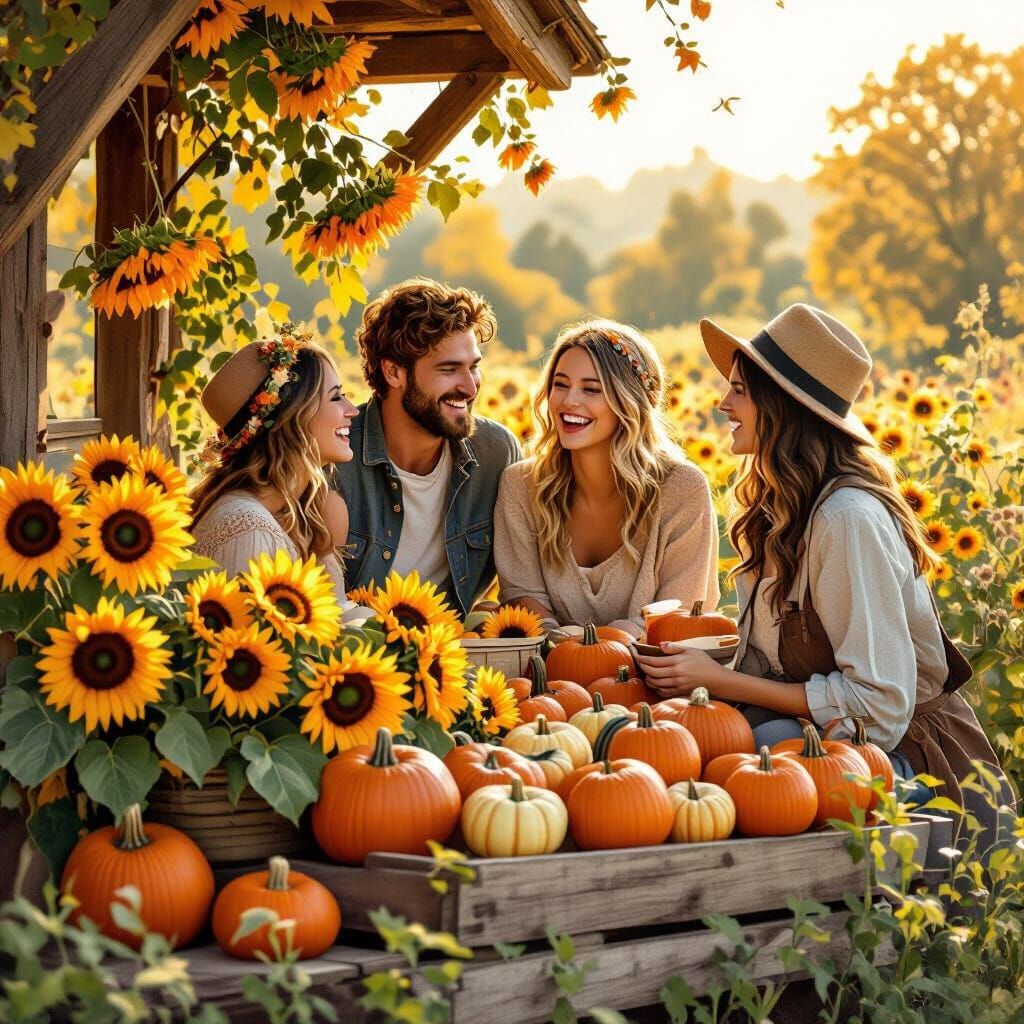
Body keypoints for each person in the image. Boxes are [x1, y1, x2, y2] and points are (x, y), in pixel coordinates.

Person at [636, 303, 1013, 843]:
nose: (723, 402)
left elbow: (878, 707)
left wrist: (720, 681)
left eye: (739, 390)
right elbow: (774, 659)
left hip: (905, 765)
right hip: (824, 745)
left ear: (781, 406)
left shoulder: (845, 519)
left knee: (755, 759)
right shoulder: (782, 508)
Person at [494, 320, 719, 637]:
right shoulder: (521, 485)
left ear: (630, 402)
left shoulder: (682, 488)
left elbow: (679, 615)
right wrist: (561, 646)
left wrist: (603, 647)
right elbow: (523, 596)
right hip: (546, 674)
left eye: (591, 389)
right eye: (560, 384)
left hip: (657, 678)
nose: (569, 400)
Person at [334, 277, 521, 616]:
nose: (469, 387)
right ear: (393, 372)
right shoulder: (334, 458)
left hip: (453, 657)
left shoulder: (497, 454)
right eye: (449, 370)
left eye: (474, 367)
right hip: (350, 659)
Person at [191, 325, 358, 593]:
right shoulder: (248, 530)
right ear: (293, 417)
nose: (352, 410)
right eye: (336, 397)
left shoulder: (298, 513)